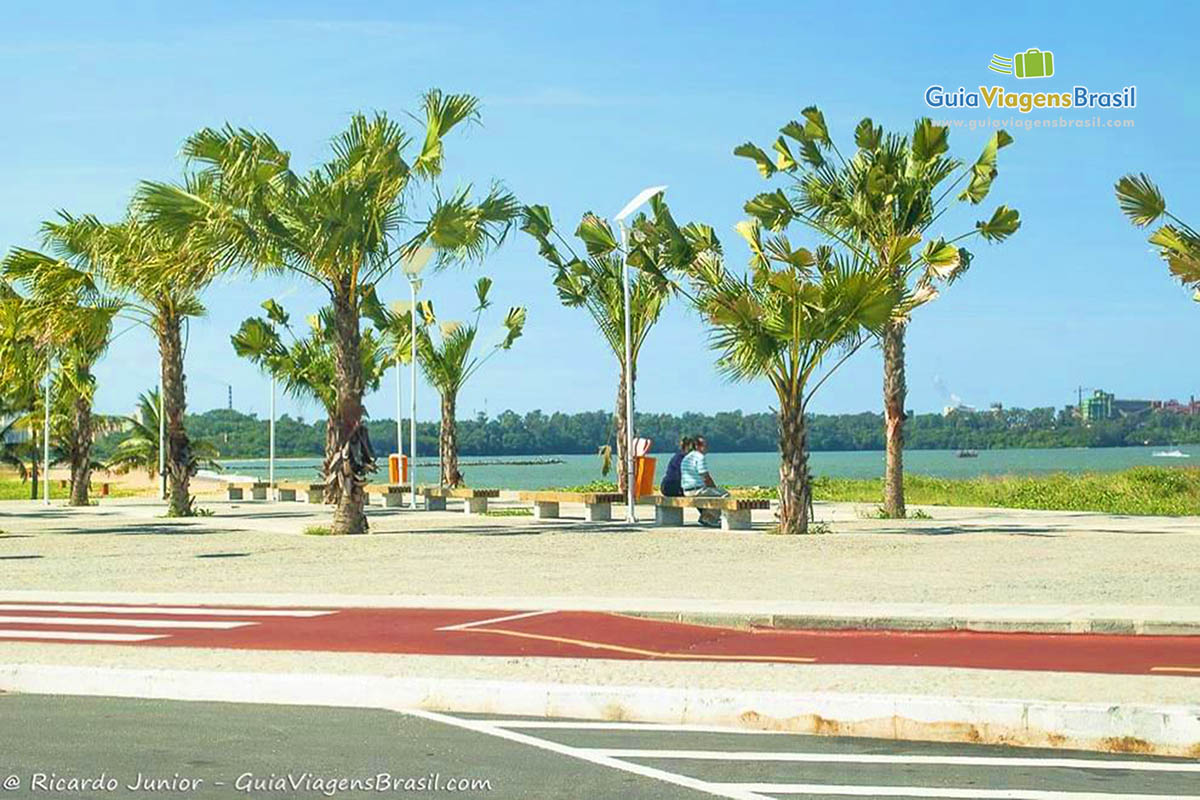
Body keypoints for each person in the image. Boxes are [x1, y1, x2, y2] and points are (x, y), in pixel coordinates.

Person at [680, 435, 729, 527]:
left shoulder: (687, 457)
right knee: (725, 495)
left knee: (715, 494)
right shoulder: (700, 457)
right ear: (697, 446)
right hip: (697, 490)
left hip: (686, 491)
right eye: (704, 445)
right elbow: (705, 477)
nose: (707, 447)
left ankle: (706, 517)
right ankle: (709, 518)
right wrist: (714, 488)